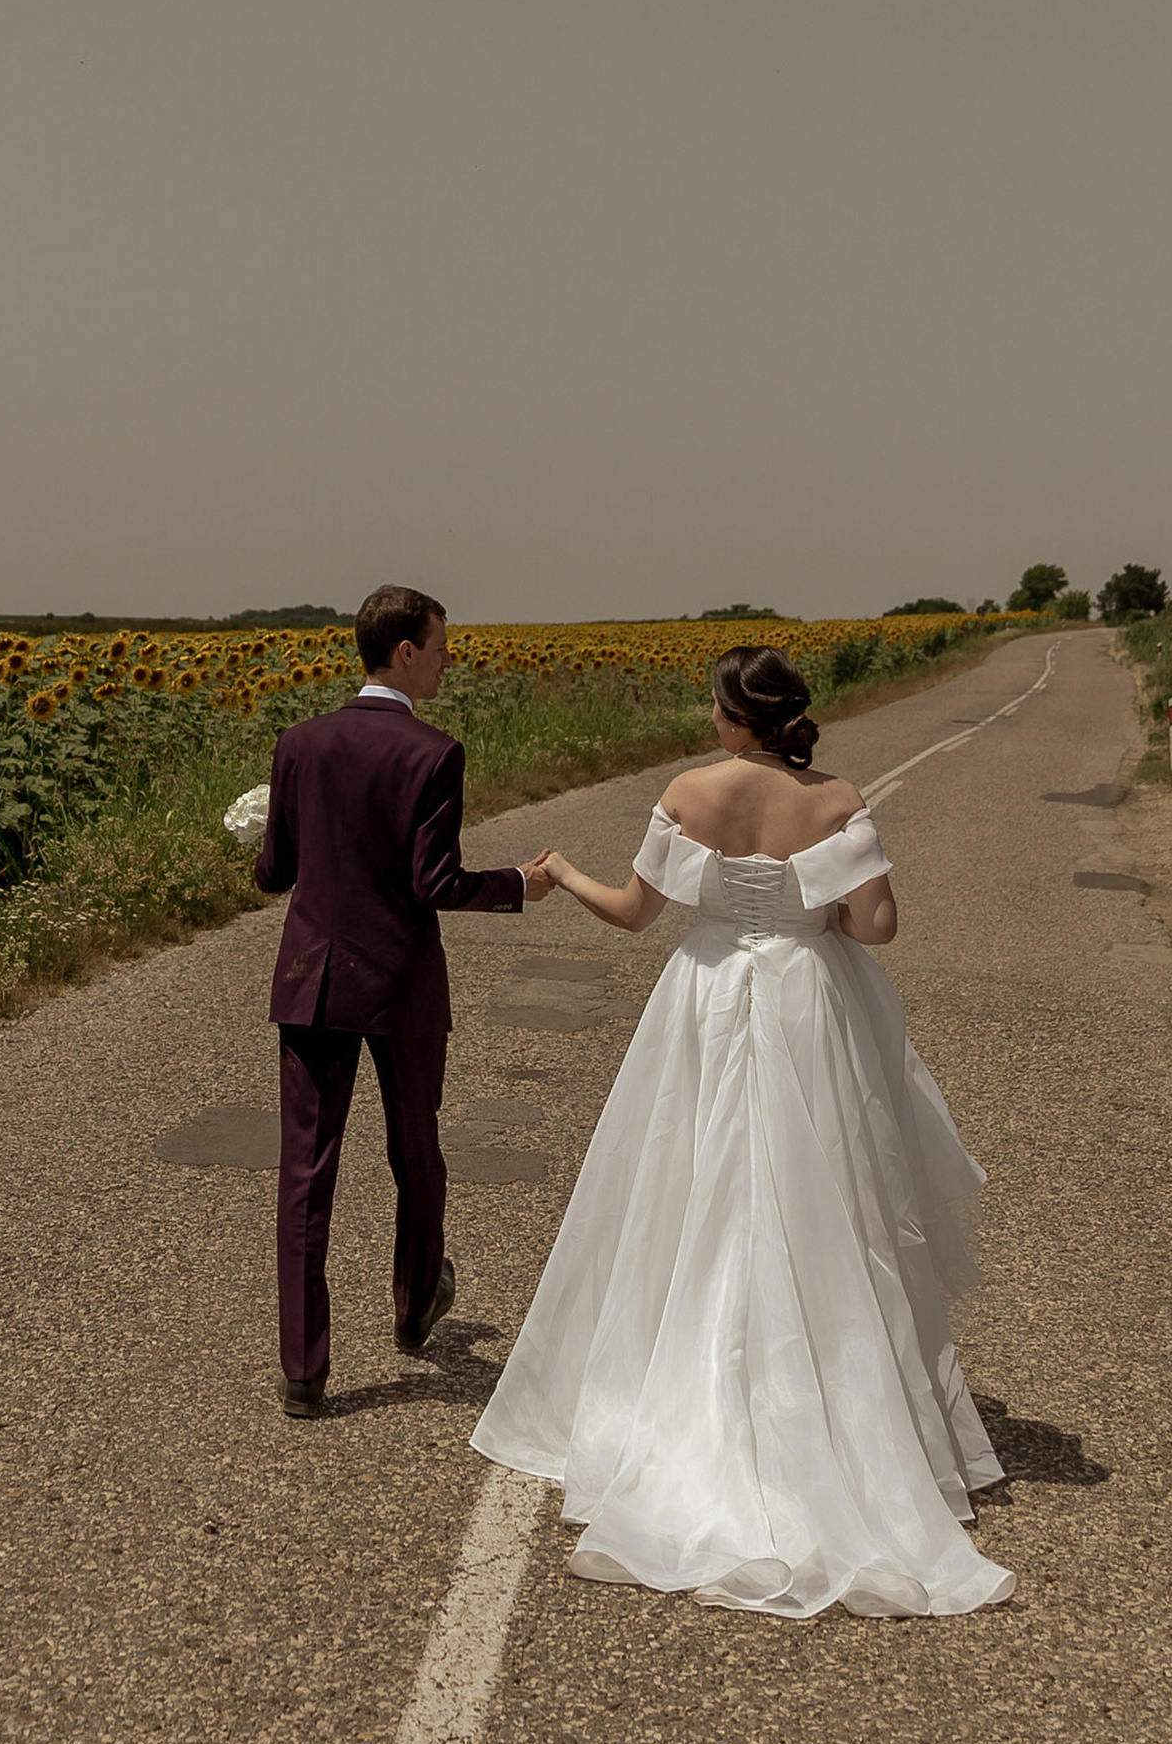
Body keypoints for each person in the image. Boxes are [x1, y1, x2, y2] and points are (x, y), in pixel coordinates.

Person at [472, 643, 1012, 1617]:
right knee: (830, 1205)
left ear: (734, 715)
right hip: (813, 999)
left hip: (710, 993)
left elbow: (636, 914)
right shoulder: (835, 798)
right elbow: (877, 925)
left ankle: (683, 1401)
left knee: (693, 1191)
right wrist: (817, 924)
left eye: (714, 703)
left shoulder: (688, 791)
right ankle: (847, 1414)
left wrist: (562, 872)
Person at [255, 585, 552, 1416]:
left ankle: (304, 1371)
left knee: (305, 1174)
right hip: (399, 983)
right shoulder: (433, 754)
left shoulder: (299, 742)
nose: (451, 656)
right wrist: (517, 885)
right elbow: (436, 884)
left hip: (312, 979)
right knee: (415, 1150)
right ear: (407, 652)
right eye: (442, 642)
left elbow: (276, 871)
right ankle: (416, 1304)